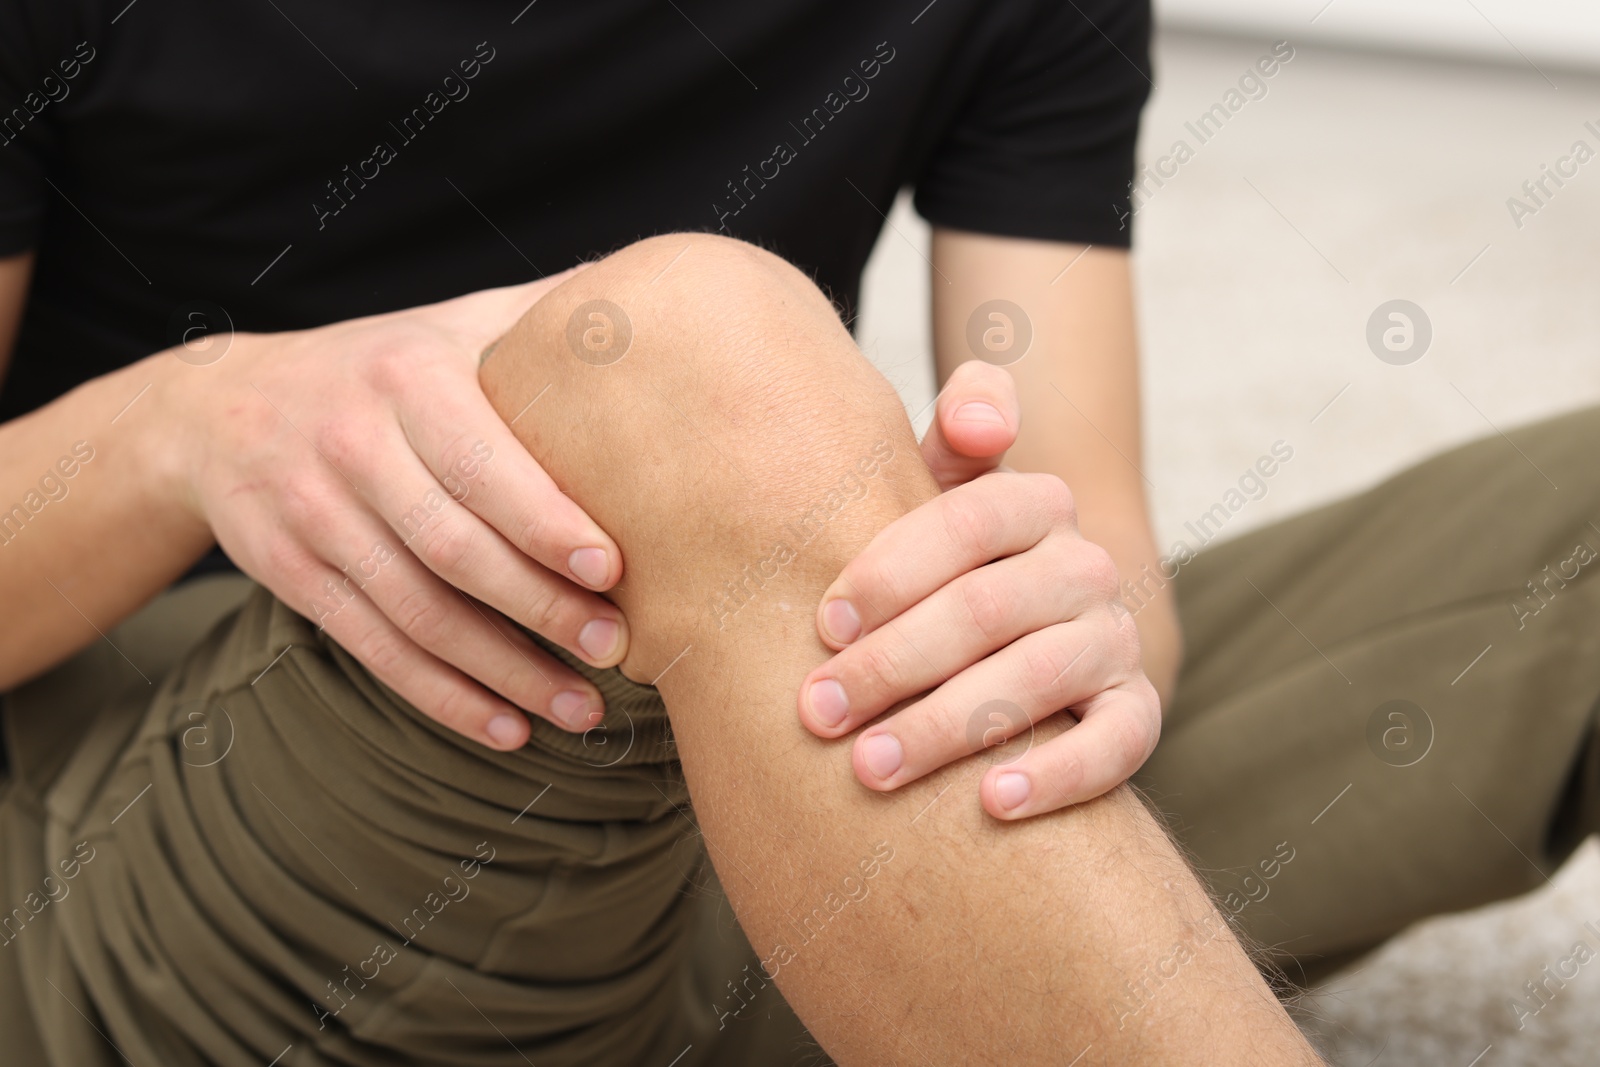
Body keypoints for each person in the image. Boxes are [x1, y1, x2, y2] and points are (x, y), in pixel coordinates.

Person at [2, 2, 1598, 1064]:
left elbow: (1093, 523)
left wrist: (1038, 617)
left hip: (802, 813)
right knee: (692, 350)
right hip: (197, 844)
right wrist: (183, 424)